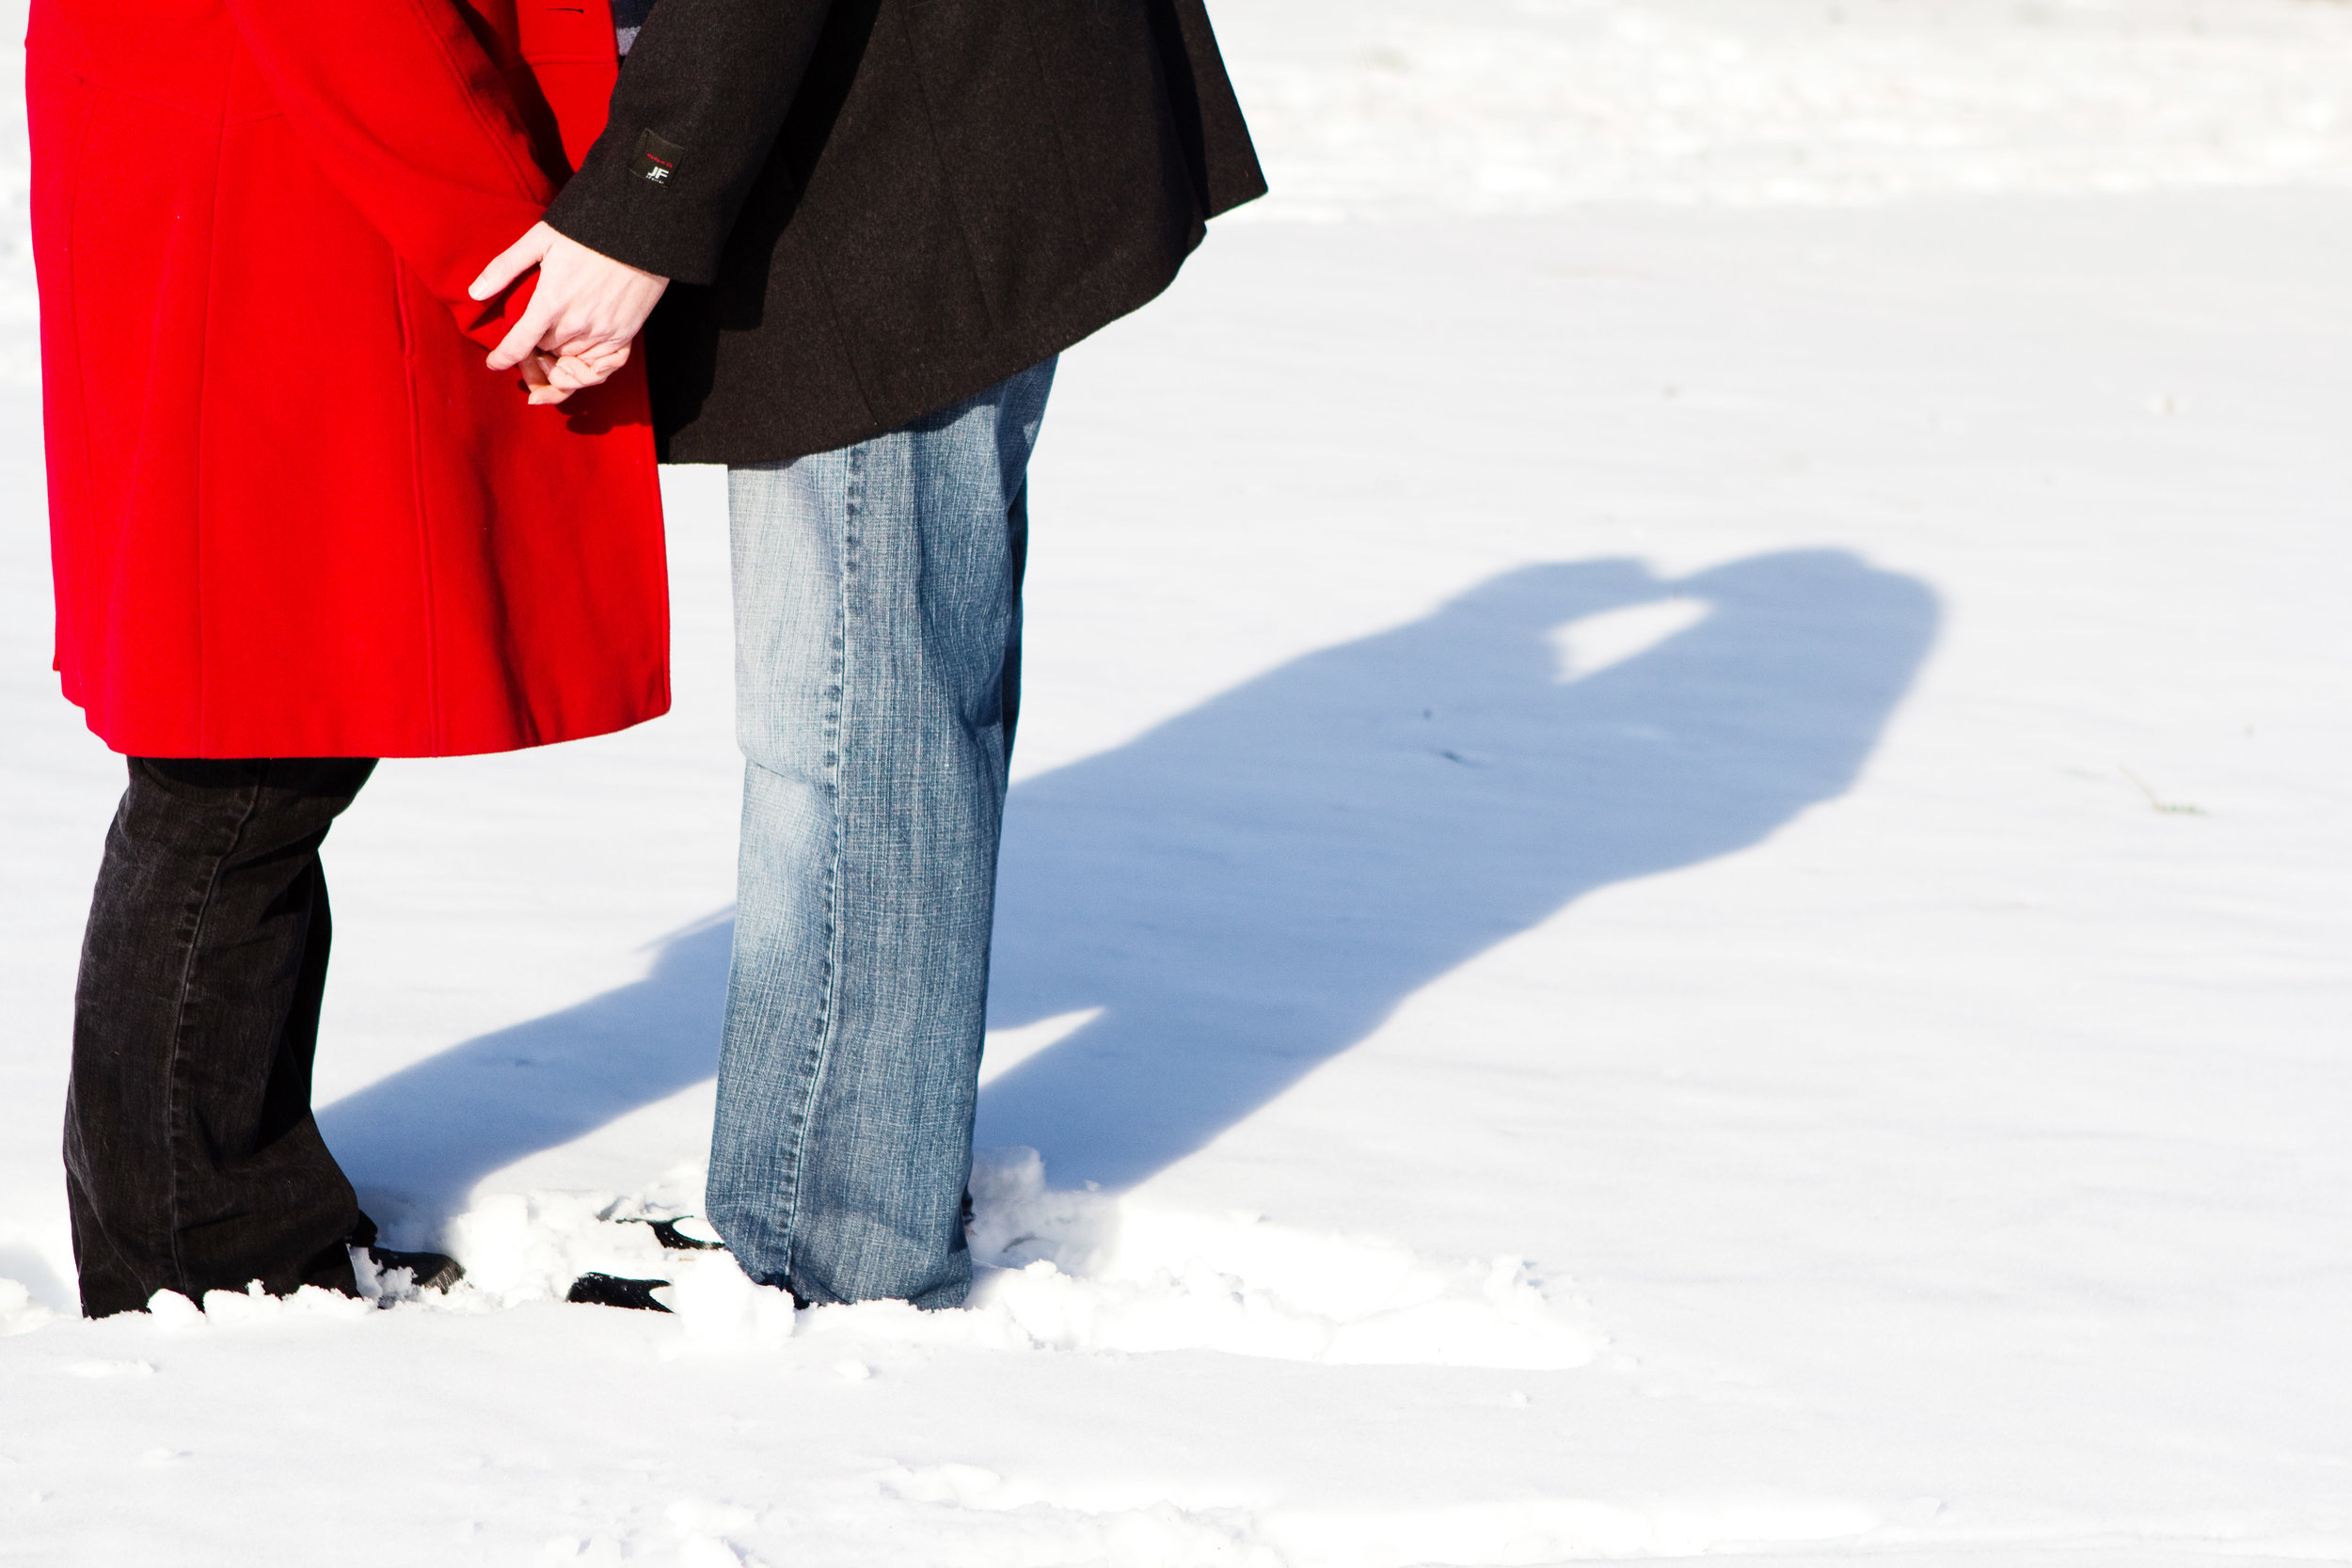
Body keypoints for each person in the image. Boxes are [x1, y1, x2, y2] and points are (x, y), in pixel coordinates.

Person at [468, 0, 1265, 1308]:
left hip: (892, 167)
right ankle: (798, 1199)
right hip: (943, 126)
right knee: (872, 710)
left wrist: (640, 203)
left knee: (864, 721)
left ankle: (851, 1245)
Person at [27, 0, 670, 1317]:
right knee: (242, 762)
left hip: (233, 161)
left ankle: (228, 1211)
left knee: (253, 742)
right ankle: (195, 1256)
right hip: (286, 198)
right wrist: (515, 250)